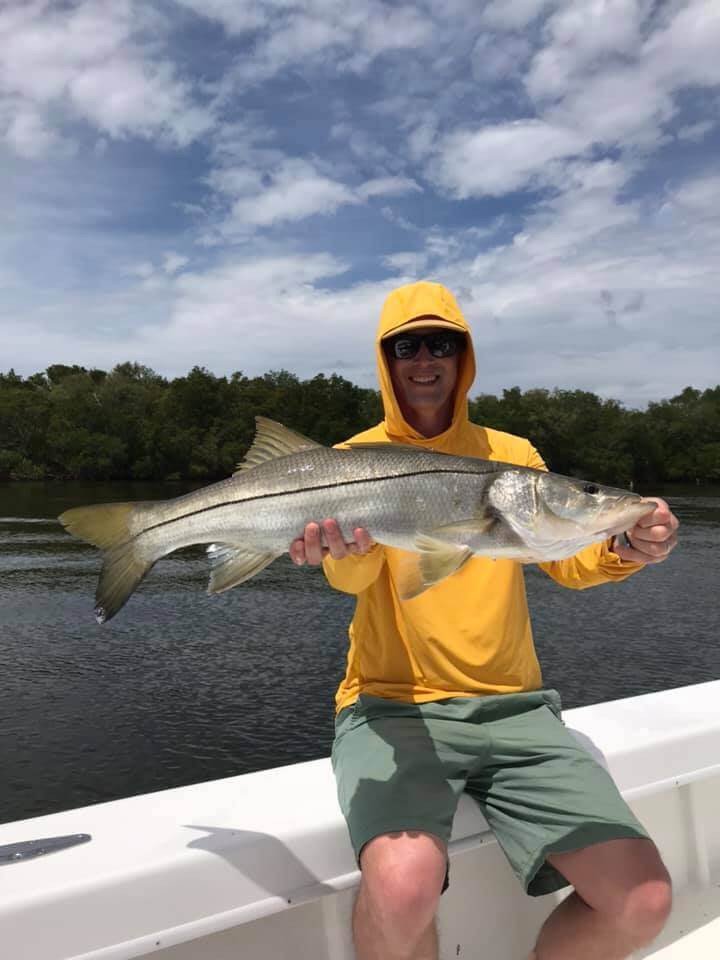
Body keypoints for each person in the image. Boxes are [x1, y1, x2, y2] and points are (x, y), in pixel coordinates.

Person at [289, 281, 679, 960]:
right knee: (402, 891)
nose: (425, 358)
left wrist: (624, 546)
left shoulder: (512, 456)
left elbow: (564, 557)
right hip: (393, 707)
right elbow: (351, 579)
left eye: (442, 343)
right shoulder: (351, 459)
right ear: (386, 360)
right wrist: (339, 552)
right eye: (406, 346)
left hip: (517, 709)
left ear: (463, 356)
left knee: (641, 900)